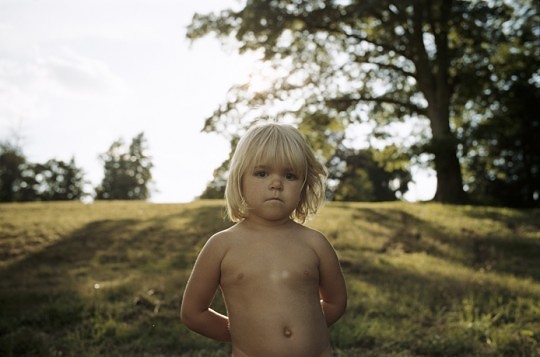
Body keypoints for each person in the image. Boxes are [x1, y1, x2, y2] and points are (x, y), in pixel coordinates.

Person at [181, 122, 347, 356]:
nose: (276, 183)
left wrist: (307, 331)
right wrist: (245, 333)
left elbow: (335, 302)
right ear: (240, 179)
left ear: (303, 185)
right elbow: (193, 312)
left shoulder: (315, 244)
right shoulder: (221, 246)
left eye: (290, 175)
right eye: (262, 173)